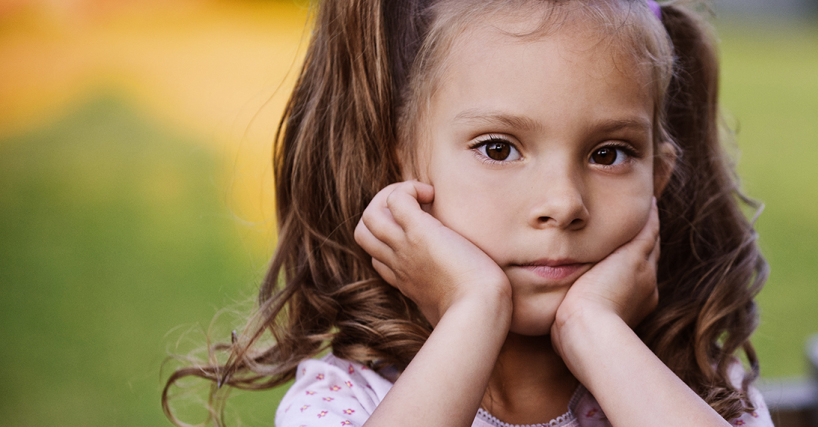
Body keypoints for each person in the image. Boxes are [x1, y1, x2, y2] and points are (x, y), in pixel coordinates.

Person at [163, 0, 770, 426]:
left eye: (609, 154)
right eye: (499, 149)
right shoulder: (349, 401)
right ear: (404, 168)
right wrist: (475, 308)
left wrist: (595, 330)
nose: (562, 203)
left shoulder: (695, 391)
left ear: (658, 178)